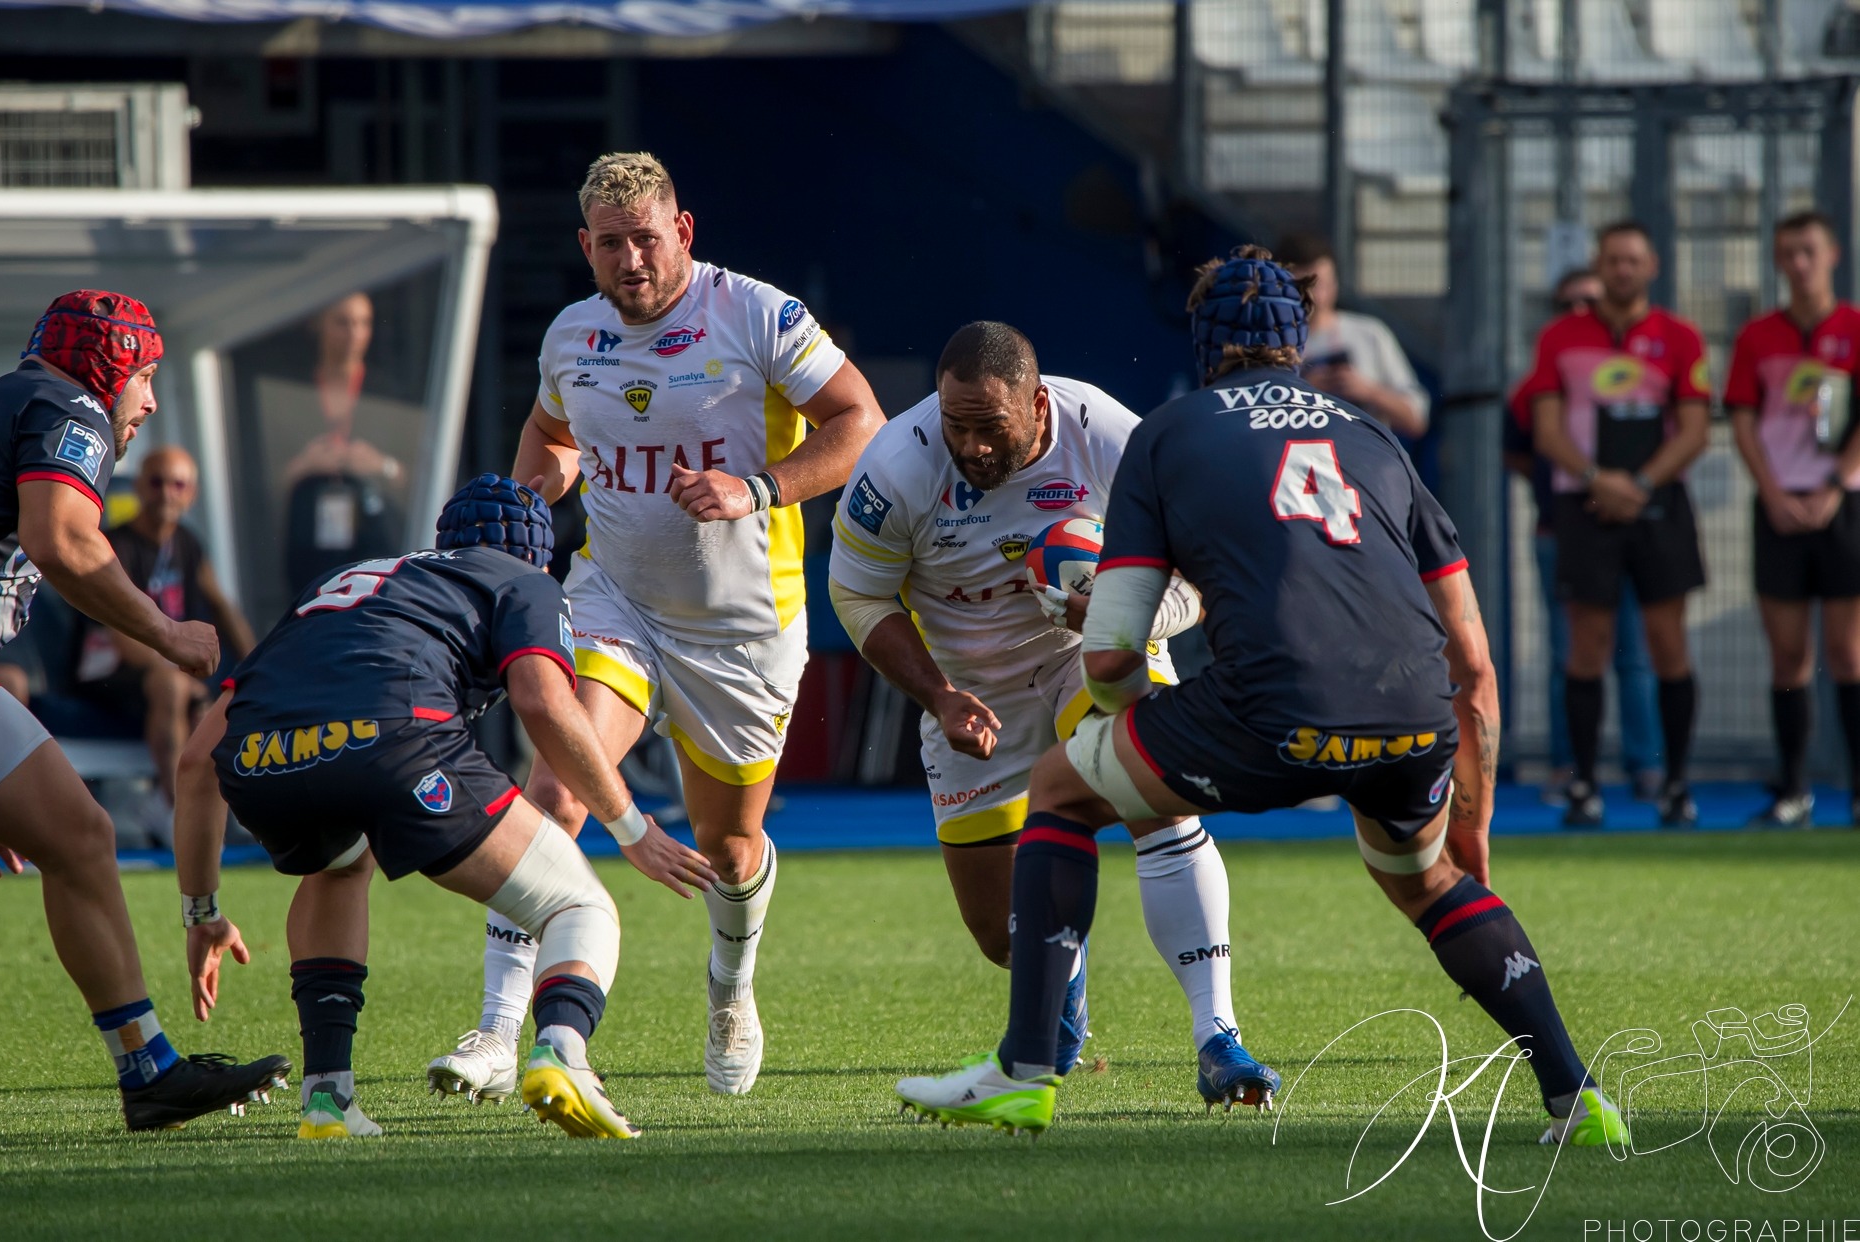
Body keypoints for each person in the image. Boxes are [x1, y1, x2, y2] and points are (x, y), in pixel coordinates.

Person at [892, 249, 1629, 1148]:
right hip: (1413, 715)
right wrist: (1469, 812)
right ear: (1301, 337)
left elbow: (1117, 649)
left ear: (1203, 343)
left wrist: (1123, 726)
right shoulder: (1372, 437)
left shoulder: (1164, 434)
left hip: (1264, 710)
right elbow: (1474, 661)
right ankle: (1577, 1097)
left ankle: (1026, 1072)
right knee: (1429, 881)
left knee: (1058, 787)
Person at [425, 151, 884, 1101]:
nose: (631, 261)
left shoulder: (758, 315)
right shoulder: (572, 335)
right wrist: (532, 499)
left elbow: (859, 420)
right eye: (610, 245)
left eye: (646, 239)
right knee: (554, 794)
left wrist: (758, 487)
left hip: (741, 630)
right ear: (584, 249)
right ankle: (499, 1032)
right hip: (614, 602)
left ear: (683, 232)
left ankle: (730, 988)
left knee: (728, 851)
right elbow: (550, 440)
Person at [173, 475, 719, 1139]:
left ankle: (327, 1098)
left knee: (340, 863)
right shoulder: (523, 579)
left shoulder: (347, 582)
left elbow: (196, 759)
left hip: (262, 760)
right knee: (578, 906)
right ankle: (561, 1054)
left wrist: (201, 911)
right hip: (397, 739)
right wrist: (631, 827)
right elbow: (543, 700)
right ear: (538, 553)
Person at [828, 321, 1262, 1104]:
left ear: (1037, 403)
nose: (971, 446)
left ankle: (1218, 1038)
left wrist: (1120, 620)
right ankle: (1061, 987)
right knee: (1002, 936)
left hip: (1085, 659)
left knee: (1155, 807)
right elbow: (856, 591)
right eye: (954, 423)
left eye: (989, 426)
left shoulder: (1110, 436)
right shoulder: (896, 465)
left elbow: (1203, 575)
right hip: (966, 688)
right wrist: (938, 694)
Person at [0, 290, 290, 1131]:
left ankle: (149, 1069)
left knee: (78, 835)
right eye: (146, 376)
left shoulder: (19, 398)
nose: (149, 401)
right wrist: (165, 632)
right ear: (108, 364)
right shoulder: (67, 406)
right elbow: (61, 538)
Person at [1519, 220, 1711, 829]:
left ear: (1652, 264)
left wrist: (1643, 484)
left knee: (1667, 645)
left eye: (1632, 259)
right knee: (1587, 648)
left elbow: (1697, 429)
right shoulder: (1559, 339)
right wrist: (1600, 479)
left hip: (1660, 506)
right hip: (1587, 508)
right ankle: (1584, 786)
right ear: (1600, 266)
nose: (1622, 269)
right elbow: (1546, 430)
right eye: (1612, 260)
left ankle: (1675, 783)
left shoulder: (1681, 337)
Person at [1503, 268, 1662, 804]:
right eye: (1566, 302)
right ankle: (1569, 767)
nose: (1578, 311)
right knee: (1566, 653)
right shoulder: (1538, 382)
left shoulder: (1635, 370)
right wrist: (1574, 491)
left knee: (1634, 652)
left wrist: (1622, 491)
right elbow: (1519, 448)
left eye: (1587, 301)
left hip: (1632, 527)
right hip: (1561, 532)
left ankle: (1648, 768)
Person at [1727, 209, 1860, 828]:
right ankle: (1794, 792)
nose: (1799, 264)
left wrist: (1836, 484)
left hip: (1844, 506)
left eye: (1808, 250)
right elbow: (1745, 421)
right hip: (1779, 505)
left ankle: (1857, 788)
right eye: (1788, 253)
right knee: (1788, 657)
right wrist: (1773, 492)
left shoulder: (1854, 329)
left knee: (1849, 652)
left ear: (1832, 254)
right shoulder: (1758, 336)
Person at [71, 445, 256, 816]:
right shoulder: (112, 546)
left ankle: (216, 811)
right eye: (157, 483)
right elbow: (121, 637)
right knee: (173, 686)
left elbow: (221, 605)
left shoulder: (187, 542)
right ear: (139, 487)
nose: (167, 493)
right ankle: (177, 811)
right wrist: (183, 675)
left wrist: (259, 667)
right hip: (109, 673)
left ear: (192, 493)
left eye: (178, 484)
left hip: (172, 668)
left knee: (217, 700)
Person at [281, 292, 406, 597]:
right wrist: (304, 467)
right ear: (319, 325)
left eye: (363, 323)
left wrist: (380, 466)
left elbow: (422, 475)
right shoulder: (289, 390)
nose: (354, 334)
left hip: (375, 538)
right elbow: (255, 484)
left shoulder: (387, 391)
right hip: (309, 541)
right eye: (343, 323)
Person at [1274, 232, 1430, 438]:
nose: (1314, 297)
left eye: (1320, 285)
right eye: (1303, 287)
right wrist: (1304, 391)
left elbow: (1416, 420)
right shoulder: (1271, 343)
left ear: (1335, 285)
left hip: (1362, 461)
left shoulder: (1369, 334)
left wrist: (1368, 391)